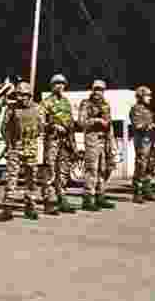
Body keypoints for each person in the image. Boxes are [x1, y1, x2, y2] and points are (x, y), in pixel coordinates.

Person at [0, 82, 44, 221]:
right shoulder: (11, 109)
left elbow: (41, 128)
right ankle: (7, 209)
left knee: (31, 179)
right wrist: (9, 144)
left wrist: (33, 139)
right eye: (19, 94)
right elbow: (4, 128)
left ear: (30, 95)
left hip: (31, 147)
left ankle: (30, 207)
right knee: (11, 178)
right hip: (15, 147)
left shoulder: (38, 109)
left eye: (24, 95)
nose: (21, 98)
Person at [39, 74, 77, 215]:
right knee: (49, 171)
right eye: (57, 83)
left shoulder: (66, 102)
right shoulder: (46, 103)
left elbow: (71, 123)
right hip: (52, 140)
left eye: (62, 84)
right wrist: (53, 126)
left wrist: (73, 144)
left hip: (65, 141)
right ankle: (48, 202)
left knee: (63, 172)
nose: (60, 86)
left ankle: (62, 199)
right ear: (52, 86)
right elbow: (40, 123)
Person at [78, 79, 117, 211]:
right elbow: (82, 122)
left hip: (105, 140)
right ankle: (88, 198)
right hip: (92, 139)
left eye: (100, 90)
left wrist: (112, 142)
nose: (98, 92)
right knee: (92, 169)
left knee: (103, 168)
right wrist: (97, 120)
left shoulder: (106, 105)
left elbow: (109, 124)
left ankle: (100, 195)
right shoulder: (86, 104)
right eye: (96, 89)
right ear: (92, 89)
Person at [130, 85, 155, 203]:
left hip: (151, 140)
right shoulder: (136, 109)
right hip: (142, 141)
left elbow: (154, 122)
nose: (150, 98)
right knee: (141, 166)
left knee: (150, 165)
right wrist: (151, 126)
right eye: (147, 95)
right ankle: (137, 192)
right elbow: (138, 125)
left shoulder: (149, 110)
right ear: (140, 96)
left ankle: (147, 189)